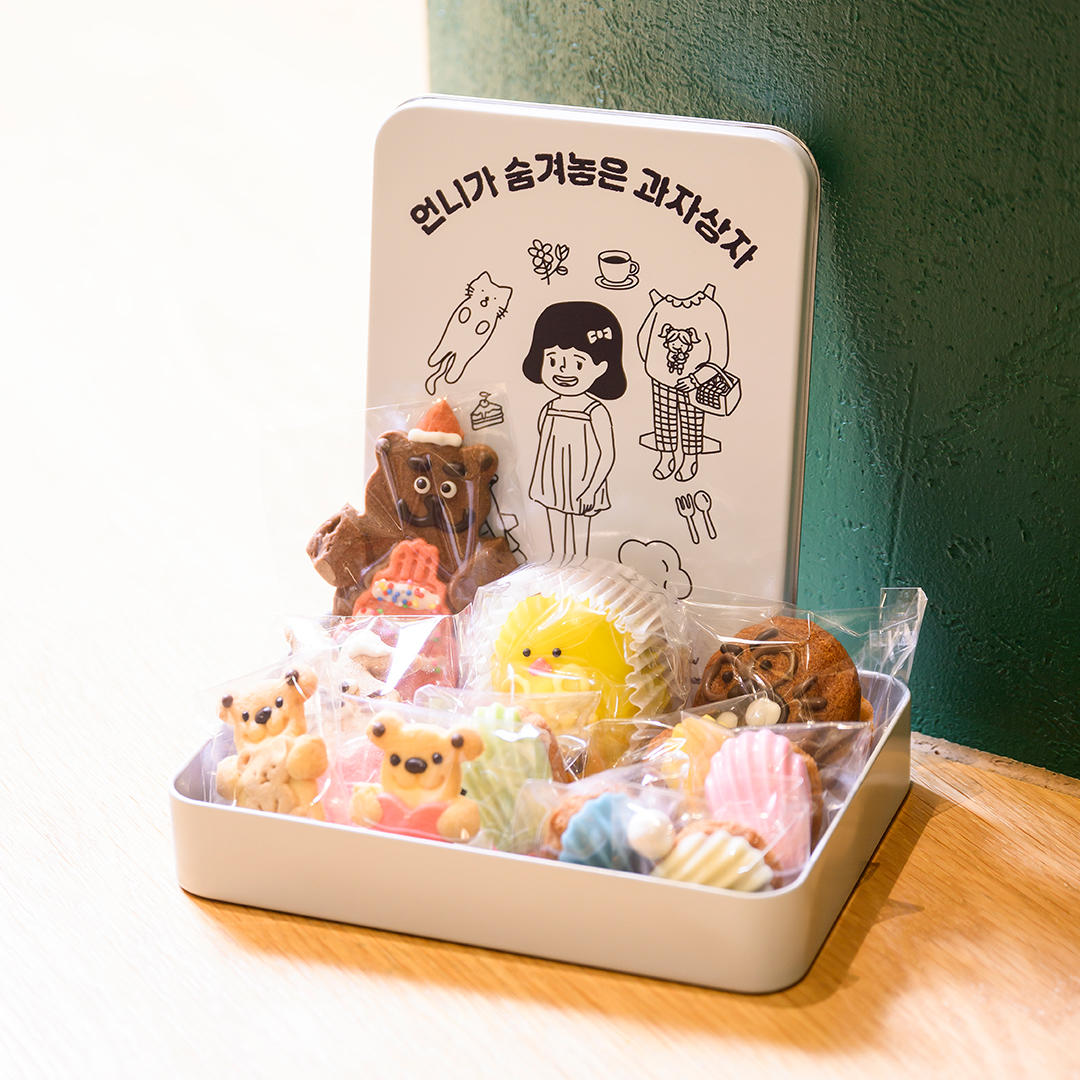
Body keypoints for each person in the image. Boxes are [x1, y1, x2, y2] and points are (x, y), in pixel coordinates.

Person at [522, 301, 626, 556]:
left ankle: (581, 577)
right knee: (557, 544)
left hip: (583, 485)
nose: (562, 370)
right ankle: (559, 573)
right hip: (553, 483)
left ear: (601, 367)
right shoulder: (549, 408)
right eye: (552, 360)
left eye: (577, 363)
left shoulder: (595, 411)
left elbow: (607, 454)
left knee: (581, 547)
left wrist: (591, 488)